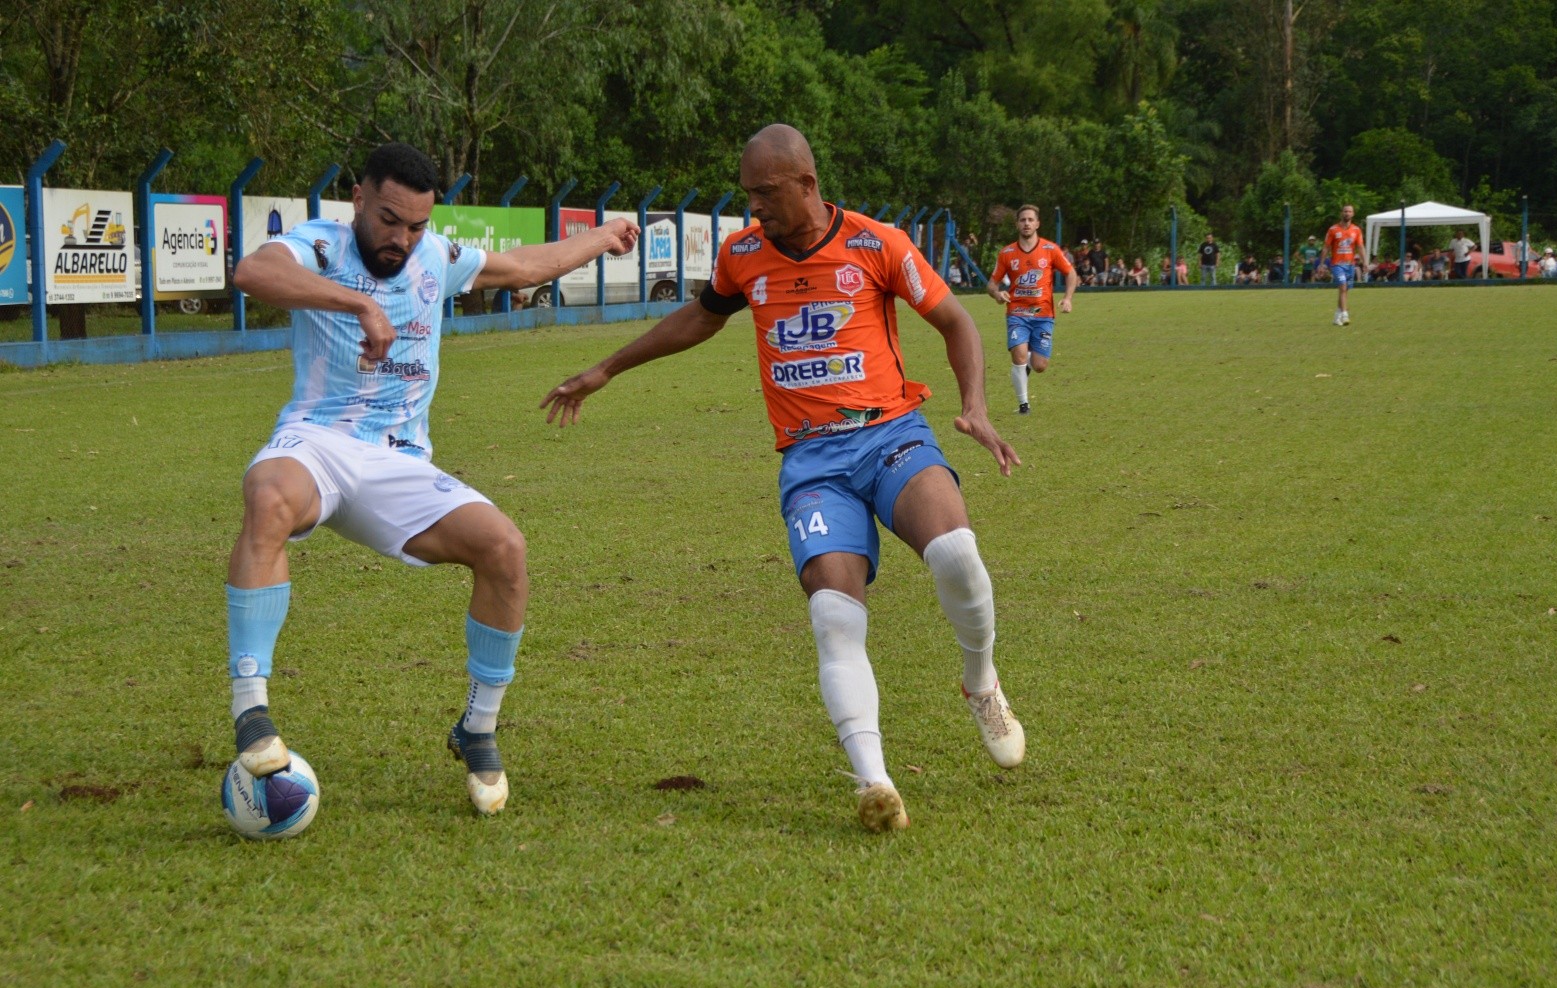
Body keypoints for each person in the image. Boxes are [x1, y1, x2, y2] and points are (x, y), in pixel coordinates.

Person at [541, 125, 1025, 833]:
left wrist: (976, 406)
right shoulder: (743, 257)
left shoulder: (875, 244)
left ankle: (980, 681)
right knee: (833, 613)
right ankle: (874, 781)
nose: (754, 211)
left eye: (766, 195)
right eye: (748, 197)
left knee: (956, 554)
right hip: (811, 460)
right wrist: (606, 368)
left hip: (889, 433)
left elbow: (955, 322)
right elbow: (698, 320)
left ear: (807, 184)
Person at [226, 142, 639, 816]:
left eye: (416, 226)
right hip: (318, 443)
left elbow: (527, 265)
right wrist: (357, 305)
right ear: (358, 199)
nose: (402, 239)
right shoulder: (321, 248)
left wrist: (599, 235)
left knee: (504, 548)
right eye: (389, 221)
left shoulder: (435, 260)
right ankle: (252, 710)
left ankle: (477, 728)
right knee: (268, 495)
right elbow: (254, 273)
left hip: (398, 462)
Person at [987, 204, 1077, 414]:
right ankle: (1023, 405)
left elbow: (1071, 273)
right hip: (1017, 314)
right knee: (1018, 355)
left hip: (1043, 315)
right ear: (1017, 224)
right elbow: (992, 284)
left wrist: (1068, 298)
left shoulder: (1050, 249)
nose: (1026, 223)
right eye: (1022, 220)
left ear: (1037, 223)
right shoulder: (1007, 253)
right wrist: (997, 294)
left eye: (1030, 220)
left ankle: (1028, 364)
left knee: (1040, 365)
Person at [1324, 204, 1365, 326]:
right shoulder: (1333, 230)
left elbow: (1360, 247)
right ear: (1341, 213)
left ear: (1353, 214)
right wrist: (1321, 263)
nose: (1347, 213)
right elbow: (1326, 247)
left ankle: (1337, 316)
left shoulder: (1356, 230)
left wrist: (1365, 262)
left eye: (1349, 211)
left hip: (1350, 265)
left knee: (1344, 290)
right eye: (1345, 211)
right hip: (1337, 264)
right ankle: (1345, 314)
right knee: (1342, 287)